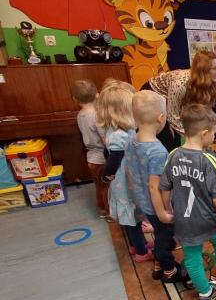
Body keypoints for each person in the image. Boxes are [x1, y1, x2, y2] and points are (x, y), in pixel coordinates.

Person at [160, 104, 216, 300]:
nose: (214, 137)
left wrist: (167, 209)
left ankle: (205, 293)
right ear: (204, 133)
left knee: (192, 257)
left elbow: (165, 187)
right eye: (213, 133)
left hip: (185, 221)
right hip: (209, 219)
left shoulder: (173, 155)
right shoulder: (209, 160)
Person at [125, 90, 190, 284]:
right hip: (157, 205)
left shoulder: (131, 141)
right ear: (161, 118)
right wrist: (162, 212)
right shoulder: (157, 151)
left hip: (142, 201)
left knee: (161, 234)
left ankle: (159, 264)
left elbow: (129, 171)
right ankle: (168, 268)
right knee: (165, 236)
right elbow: (155, 187)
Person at [96, 83, 152, 262]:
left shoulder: (118, 131)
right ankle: (142, 252)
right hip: (126, 183)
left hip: (128, 180)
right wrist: (106, 175)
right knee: (132, 220)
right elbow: (114, 159)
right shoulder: (119, 135)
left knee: (131, 218)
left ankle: (137, 245)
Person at [147, 50, 216, 151]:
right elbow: (173, 117)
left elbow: (203, 111)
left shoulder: (207, 82)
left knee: (178, 132)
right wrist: (195, 138)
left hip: (172, 99)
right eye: (215, 68)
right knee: (169, 138)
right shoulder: (180, 83)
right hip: (153, 95)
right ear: (204, 70)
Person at [70, 79, 107, 216]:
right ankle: (109, 212)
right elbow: (104, 138)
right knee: (107, 187)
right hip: (101, 157)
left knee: (99, 185)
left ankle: (102, 208)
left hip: (91, 158)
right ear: (97, 94)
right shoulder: (96, 115)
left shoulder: (80, 115)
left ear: (75, 99)